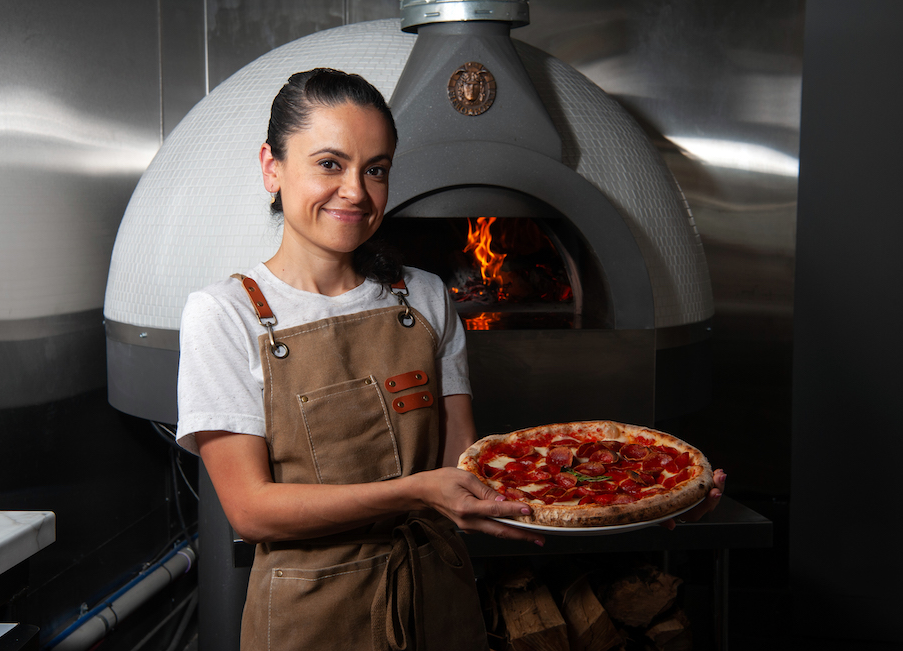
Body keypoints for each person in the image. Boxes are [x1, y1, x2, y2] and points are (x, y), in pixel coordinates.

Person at [176, 67, 725, 651]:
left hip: (441, 602)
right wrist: (413, 493)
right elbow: (252, 511)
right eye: (330, 164)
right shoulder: (226, 314)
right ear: (272, 167)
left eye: (376, 169)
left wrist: (632, 508)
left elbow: (466, 473)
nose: (357, 192)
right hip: (311, 616)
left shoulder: (426, 296)